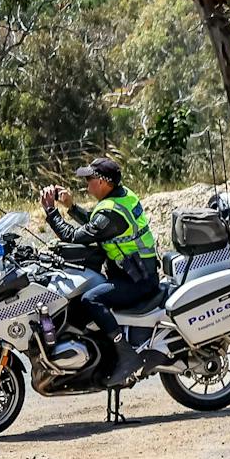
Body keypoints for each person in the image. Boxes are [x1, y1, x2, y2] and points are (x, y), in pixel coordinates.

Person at [39, 156, 168, 382]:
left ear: (103, 181)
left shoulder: (111, 211)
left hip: (137, 281)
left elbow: (75, 236)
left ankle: (126, 355)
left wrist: (51, 212)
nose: (86, 184)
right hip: (134, 272)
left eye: (89, 179)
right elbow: (96, 226)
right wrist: (70, 207)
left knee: (91, 300)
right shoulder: (121, 196)